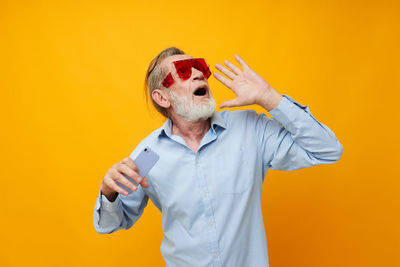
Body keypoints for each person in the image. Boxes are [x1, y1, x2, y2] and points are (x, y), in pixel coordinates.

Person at [93, 47, 343, 267]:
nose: (199, 74)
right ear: (162, 97)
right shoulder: (149, 154)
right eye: (183, 70)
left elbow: (328, 149)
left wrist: (269, 97)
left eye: (199, 67)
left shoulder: (251, 130)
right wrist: (108, 191)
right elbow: (109, 224)